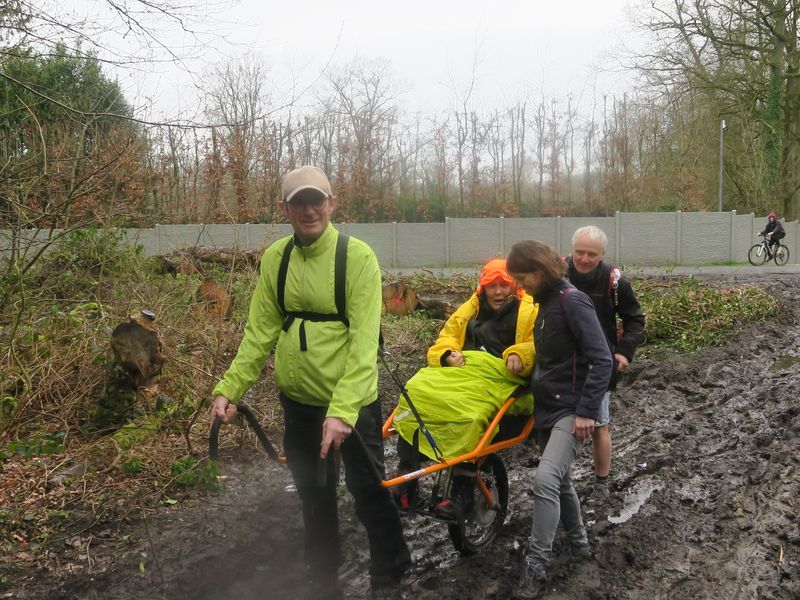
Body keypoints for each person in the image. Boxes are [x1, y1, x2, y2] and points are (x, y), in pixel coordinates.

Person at [209, 165, 410, 600]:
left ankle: (390, 572)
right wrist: (230, 388)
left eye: (316, 200)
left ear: (332, 203)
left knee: (367, 490)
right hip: (299, 402)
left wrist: (342, 412)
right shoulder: (275, 258)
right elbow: (259, 332)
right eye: (298, 202)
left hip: (351, 406)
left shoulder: (356, 258)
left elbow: (362, 346)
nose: (308, 209)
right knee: (313, 492)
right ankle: (322, 574)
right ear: (285, 208)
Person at [506, 240, 613, 600]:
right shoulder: (545, 305)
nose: (520, 286)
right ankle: (580, 543)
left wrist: (587, 411)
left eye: (523, 278)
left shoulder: (572, 301)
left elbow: (602, 360)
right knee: (562, 480)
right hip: (547, 409)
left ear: (540, 270)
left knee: (545, 480)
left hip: (571, 410)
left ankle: (536, 565)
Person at [392, 259, 537, 518]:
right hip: (464, 372)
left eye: (504, 285)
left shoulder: (529, 309)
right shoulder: (471, 307)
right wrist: (447, 353)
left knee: (469, 414)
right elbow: (447, 336)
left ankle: (463, 492)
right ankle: (406, 481)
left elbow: (540, 342)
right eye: (491, 286)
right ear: (482, 287)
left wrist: (520, 354)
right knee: (414, 392)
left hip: (500, 378)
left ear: (514, 285)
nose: (498, 292)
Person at [566, 225, 644, 504]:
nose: (585, 259)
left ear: (602, 254)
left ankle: (602, 482)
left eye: (592, 254)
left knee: (599, 424)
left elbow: (635, 319)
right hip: (563, 362)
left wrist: (623, 354)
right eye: (580, 252)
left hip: (598, 364)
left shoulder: (615, 283)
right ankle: (561, 482)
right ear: (571, 250)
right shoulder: (558, 275)